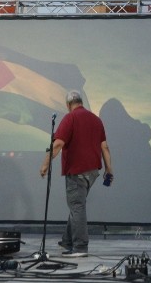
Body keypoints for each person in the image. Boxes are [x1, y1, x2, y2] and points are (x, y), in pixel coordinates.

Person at [39, 90, 113, 258]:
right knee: (76, 204)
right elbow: (105, 147)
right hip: (93, 171)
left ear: (68, 105)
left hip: (77, 171)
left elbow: (57, 144)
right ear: (81, 101)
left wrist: (45, 164)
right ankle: (67, 241)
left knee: (77, 206)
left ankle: (80, 247)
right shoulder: (96, 120)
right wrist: (109, 169)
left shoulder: (70, 118)